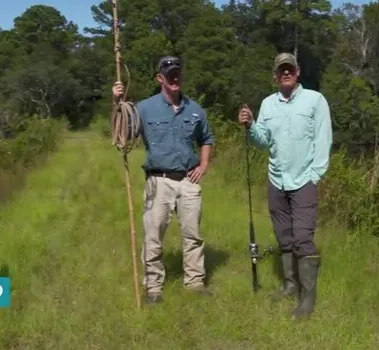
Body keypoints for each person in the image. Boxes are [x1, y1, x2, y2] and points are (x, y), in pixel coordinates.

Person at [112, 55, 215, 304]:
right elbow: (124, 134)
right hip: (159, 181)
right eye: (169, 74)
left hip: (188, 181)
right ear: (160, 78)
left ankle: (194, 282)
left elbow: (207, 139)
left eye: (178, 73)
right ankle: (154, 287)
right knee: (153, 235)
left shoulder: (195, 109)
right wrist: (116, 103)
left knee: (192, 235)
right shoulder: (145, 108)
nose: (175, 77)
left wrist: (203, 164)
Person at [237, 52, 333, 318]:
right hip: (276, 180)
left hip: (304, 181)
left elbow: (323, 139)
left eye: (290, 68)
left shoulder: (315, 100)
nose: (286, 73)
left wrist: (315, 175)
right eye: (281, 70)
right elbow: (262, 141)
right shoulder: (268, 104)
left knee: (303, 239)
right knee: (284, 237)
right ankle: (290, 285)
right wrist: (250, 126)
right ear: (275, 75)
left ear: (298, 71)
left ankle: (307, 299)